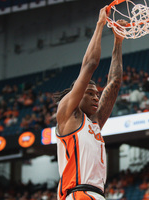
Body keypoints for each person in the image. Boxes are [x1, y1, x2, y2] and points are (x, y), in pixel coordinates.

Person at [53, 6, 127, 200]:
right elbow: (90, 64)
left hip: (96, 195)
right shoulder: (68, 114)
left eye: (97, 94)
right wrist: (101, 24)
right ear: (77, 96)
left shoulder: (93, 123)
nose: (96, 97)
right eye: (90, 93)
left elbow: (114, 82)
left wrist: (118, 42)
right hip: (78, 193)